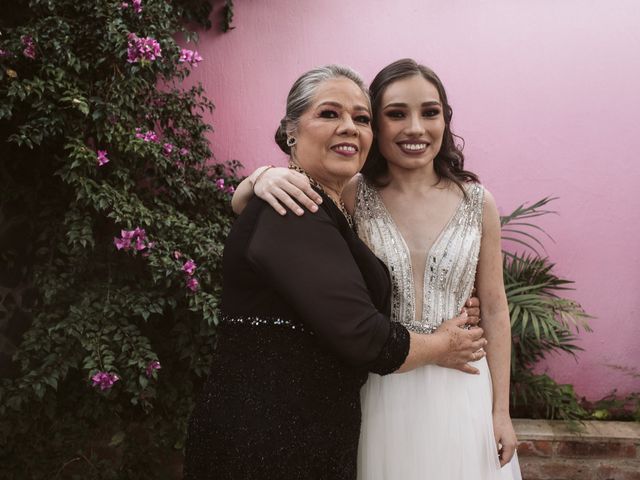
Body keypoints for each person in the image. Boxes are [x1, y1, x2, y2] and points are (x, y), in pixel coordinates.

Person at [183, 65, 487, 480]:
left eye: (361, 118)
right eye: (329, 114)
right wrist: (443, 344)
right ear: (292, 130)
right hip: (267, 440)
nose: (349, 127)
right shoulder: (291, 209)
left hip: (307, 429)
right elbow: (365, 337)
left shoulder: (327, 205)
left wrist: (257, 178)